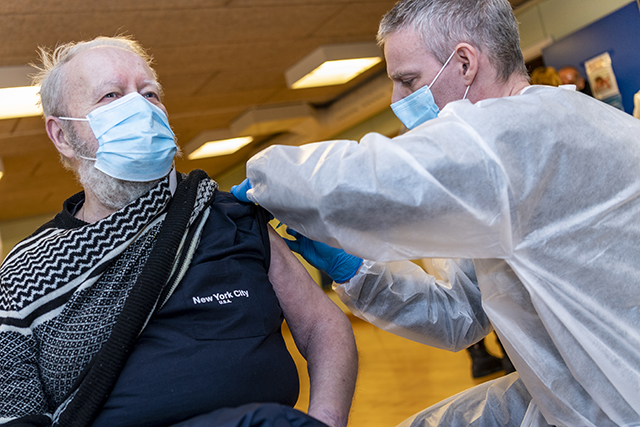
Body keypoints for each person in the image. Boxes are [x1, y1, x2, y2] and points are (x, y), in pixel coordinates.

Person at [231, 0, 640, 425]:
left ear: (464, 62)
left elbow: (362, 179)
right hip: (599, 388)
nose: (396, 100)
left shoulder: (525, 135)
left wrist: (265, 180)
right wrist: (355, 271)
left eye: (408, 81)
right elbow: (460, 315)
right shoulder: (505, 178)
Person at [0, 36, 358, 427]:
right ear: (62, 136)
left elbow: (322, 325)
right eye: (110, 96)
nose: (139, 107)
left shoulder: (227, 214)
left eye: (150, 93)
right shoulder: (29, 269)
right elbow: (12, 409)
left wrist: (325, 421)